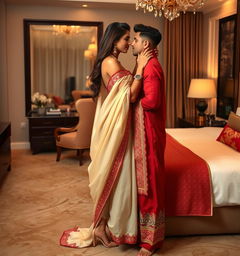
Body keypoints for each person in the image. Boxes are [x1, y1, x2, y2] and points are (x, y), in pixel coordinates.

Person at [60, 22, 153, 251]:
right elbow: (130, 96)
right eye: (126, 39)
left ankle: (102, 227)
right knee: (119, 176)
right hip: (114, 129)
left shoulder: (112, 61)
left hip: (112, 125)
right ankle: (106, 227)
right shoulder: (111, 62)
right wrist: (141, 67)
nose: (130, 42)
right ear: (114, 41)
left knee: (117, 175)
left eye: (132, 39)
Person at [131, 24, 166, 256]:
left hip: (149, 133)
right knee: (147, 182)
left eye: (135, 40)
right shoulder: (147, 64)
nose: (132, 43)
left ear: (146, 44)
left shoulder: (150, 67)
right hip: (148, 130)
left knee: (150, 183)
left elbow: (152, 102)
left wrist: (130, 102)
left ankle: (149, 243)